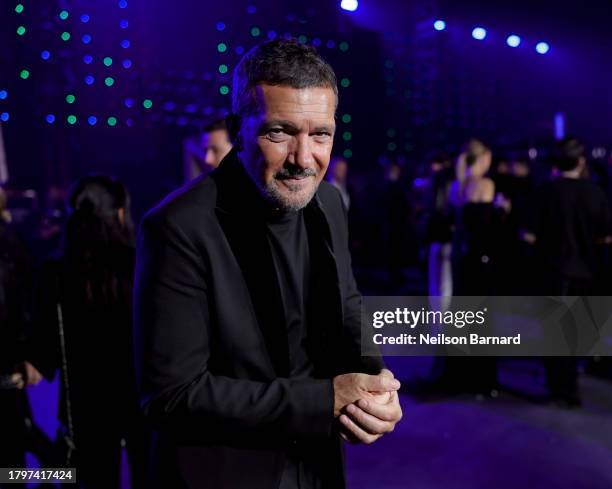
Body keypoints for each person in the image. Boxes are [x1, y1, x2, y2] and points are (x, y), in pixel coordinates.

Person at [134, 39, 402, 489]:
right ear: (239, 129)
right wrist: (323, 401)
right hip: (226, 472)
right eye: (279, 132)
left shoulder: (330, 201)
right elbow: (171, 395)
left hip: (316, 463)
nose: (303, 159)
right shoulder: (178, 226)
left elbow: (348, 305)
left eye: (321, 134)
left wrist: (371, 384)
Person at [29, 176, 148, 488]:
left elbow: (43, 352)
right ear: (120, 213)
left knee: (94, 479)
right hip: (142, 400)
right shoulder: (141, 267)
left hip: (85, 406)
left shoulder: (55, 274)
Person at [528, 137, 612, 406]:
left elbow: (529, 235)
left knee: (554, 334)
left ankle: (562, 389)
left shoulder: (544, 192)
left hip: (551, 270)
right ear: (581, 161)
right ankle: (569, 386)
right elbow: (605, 235)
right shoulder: (594, 192)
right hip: (585, 272)